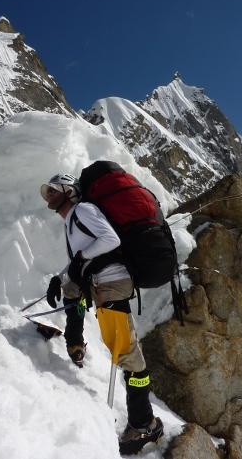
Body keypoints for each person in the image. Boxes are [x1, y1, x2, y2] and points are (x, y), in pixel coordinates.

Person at [40, 173, 164, 455]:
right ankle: (75, 343)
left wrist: (81, 261)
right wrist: (60, 279)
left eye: (53, 191)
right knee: (75, 296)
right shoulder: (73, 221)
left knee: (125, 352)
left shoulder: (83, 210)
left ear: (68, 191)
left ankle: (145, 423)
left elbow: (110, 240)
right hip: (102, 283)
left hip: (112, 283)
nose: (48, 196)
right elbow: (81, 260)